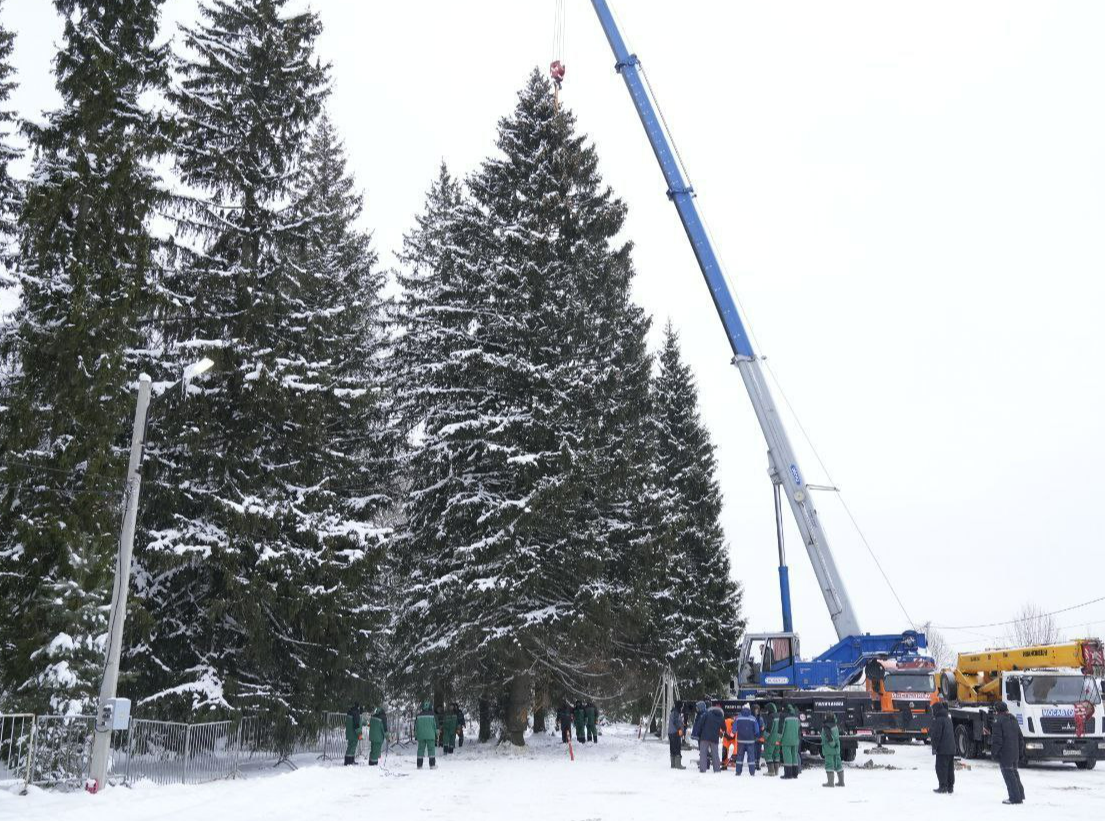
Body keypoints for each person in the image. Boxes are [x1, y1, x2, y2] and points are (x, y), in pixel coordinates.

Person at [990, 702, 1025, 805]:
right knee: (1014, 773)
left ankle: (1014, 798)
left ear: (997, 710)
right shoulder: (1013, 719)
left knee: (1009, 776)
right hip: (1015, 752)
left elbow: (997, 740)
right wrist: (1020, 752)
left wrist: (994, 753)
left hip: (1005, 753)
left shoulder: (998, 721)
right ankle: (1020, 795)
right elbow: (1020, 738)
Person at [929, 701, 955, 794]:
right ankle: (950, 787)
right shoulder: (948, 718)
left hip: (943, 749)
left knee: (940, 768)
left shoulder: (938, 720)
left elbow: (936, 735)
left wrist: (934, 747)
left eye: (933, 709)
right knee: (950, 768)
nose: (932, 711)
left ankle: (943, 786)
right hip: (951, 748)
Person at [696, 700, 726, 773]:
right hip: (714, 738)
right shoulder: (721, 717)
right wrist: (720, 732)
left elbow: (700, 724)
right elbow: (724, 728)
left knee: (703, 753)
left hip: (704, 737)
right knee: (715, 754)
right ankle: (717, 770)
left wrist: (699, 733)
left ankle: (703, 769)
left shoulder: (707, 714)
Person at [733, 704, 759, 776]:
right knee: (751, 757)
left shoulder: (738, 718)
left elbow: (734, 730)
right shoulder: (753, 718)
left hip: (740, 741)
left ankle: (738, 772)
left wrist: (735, 732)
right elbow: (757, 730)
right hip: (750, 741)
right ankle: (752, 772)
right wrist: (756, 736)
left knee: (740, 757)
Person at [820, 713, 844, 787]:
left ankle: (830, 783)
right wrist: (835, 745)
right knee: (838, 765)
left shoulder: (826, 727)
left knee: (829, 765)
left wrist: (832, 744)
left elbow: (829, 738)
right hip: (837, 749)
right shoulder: (835, 725)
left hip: (829, 749)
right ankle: (841, 782)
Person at [780, 704, 801, 779]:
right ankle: (795, 774)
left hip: (786, 740)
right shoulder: (796, 718)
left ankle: (788, 774)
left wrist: (779, 739)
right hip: (795, 740)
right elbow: (799, 727)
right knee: (794, 756)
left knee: (787, 757)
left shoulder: (784, 717)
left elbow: (781, 730)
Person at [415, 701, 438, 769]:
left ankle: (419, 765)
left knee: (420, 750)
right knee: (431, 750)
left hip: (421, 736)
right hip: (430, 735)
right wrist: (437, 734)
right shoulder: (433, 715)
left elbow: (416, 727)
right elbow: (436, 726)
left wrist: (416, 735)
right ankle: (432, 765)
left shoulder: (418, 716)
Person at [763, 703, 782, 776]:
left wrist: (764, 737)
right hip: (778, 738)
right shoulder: (779, 716)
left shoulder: (771, 717)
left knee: (768, 754)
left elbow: (769, 729)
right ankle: (776, 771)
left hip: (771, 739)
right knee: (776, 754)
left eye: (767, 710)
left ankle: (771, 771)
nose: (766, 712)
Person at [667, 704, 686, 769]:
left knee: (672, 748)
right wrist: (680, 729)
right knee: (677, 747)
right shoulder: (676, 712)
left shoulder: (673, 712)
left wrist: (681, 724)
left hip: (671, 732)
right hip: (675, 733)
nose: (682, 708)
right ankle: (678, 765)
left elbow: (676, 721)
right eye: (681, 707)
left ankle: (673, 764)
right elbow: (675, 722)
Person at [753, 704, 766, 769]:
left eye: (758, 710)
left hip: (759, 736)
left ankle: (757, 764)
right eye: (755, 710)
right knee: (754, 751)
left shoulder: (760, 718)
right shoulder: (752, 718)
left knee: (759, 751)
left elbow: (763, 726)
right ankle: (755, 764)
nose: (757, 711)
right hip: (754, 737)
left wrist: (763, 727)